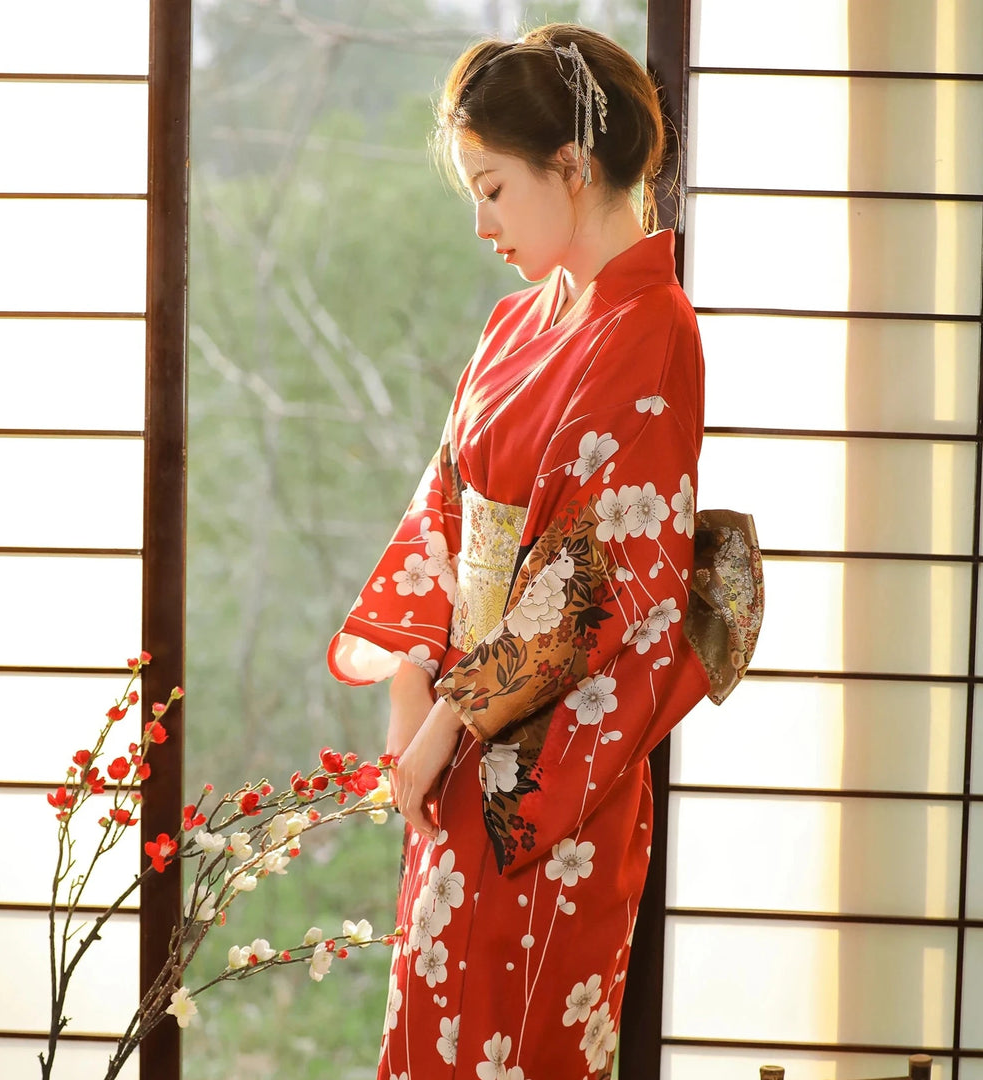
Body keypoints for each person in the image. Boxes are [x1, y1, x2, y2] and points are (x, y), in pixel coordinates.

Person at [329, 23, 712, 1080]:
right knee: (433, 1037)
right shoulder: (514, 326)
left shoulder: (655, 329)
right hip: (452, 763)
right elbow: (442, 514)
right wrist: (410, 693)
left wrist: (447, 720)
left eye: (494, 189)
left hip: (545, 786)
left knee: (526, 1040)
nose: (483, 223)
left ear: (572, 166)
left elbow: (597, 579)